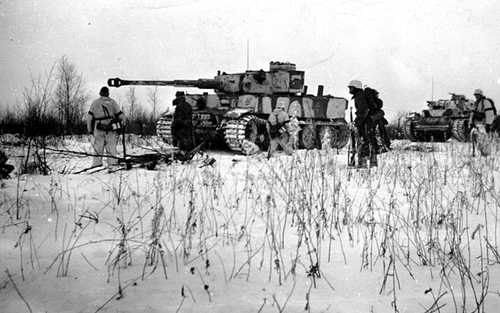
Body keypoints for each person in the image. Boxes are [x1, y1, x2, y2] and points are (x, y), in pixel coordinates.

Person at [86, 86, 126, 168]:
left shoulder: (95, 103)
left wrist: (90, 130)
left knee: (98, 148)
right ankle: (112, 164)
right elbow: (121, 116)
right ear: (108, 93)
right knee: (111, 148)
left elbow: (89, 118)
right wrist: (123, 123)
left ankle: (96, 164)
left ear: (100, 93)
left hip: (98, 128)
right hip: (110, 128)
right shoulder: (112, 102)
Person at [348, 80, 378, 168]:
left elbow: (364, 110)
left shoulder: (359, 96)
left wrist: (356, 122)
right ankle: (373, 163)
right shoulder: (361, 95)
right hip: (368, 122)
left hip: (365, 122)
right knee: (369, 141)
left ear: (356, 87)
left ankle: (362, 163)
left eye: (351, 87)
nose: (349, 89)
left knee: (362, 142)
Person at [364, 86, 391, 152]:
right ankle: (383, 146)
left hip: (373, 118)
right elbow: (379, 106)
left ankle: (377, 147)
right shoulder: (374, 100)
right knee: (380, 132)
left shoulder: (369, 100)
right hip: (375, 117)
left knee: (373, 133)